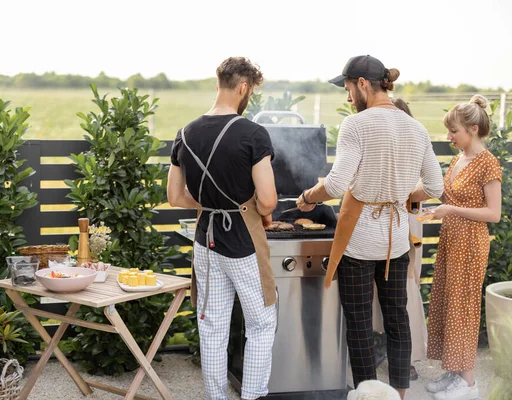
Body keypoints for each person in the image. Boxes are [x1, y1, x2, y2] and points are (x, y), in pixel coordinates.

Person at [296, 55, 444, 399]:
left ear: (362, 84)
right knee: (397, 321)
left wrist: (307, 197)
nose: (348, 98)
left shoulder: (357, 125)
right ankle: (399, 395)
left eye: (348, 88)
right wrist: (398, 194)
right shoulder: (416, 127)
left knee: (360, 325)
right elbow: (435, 188)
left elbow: (334, 186)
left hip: (359, 242)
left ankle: (367, 395)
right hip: (397, 241)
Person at [167, 56, 278, 400]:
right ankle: (252, 396)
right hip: (243, 242)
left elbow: (174, 196)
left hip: (206, 241)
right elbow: (269, 200)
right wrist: (251, 208)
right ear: (244, 87)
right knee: (260, 324)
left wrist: (209, 204)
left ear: (219, 83)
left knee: (212, 327)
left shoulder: (185, 133)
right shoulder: (252, 133)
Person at [422, 95, 502, 400]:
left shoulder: (487, 163)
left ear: (472, 128)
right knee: (447, 304)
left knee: (463, 309)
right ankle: (455, 371)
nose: (448, 136)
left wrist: (451, 211)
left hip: (470, 243)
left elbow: (493, 214)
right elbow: (446, 195)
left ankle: (469, 384)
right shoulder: (459, 159)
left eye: (453, 131)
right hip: (451, 239)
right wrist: (416, 199)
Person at [372, 98, 429, 381]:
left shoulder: (414, 141)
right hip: (381, 224)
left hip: (406, 224)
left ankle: (407, 358)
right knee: (379, 288)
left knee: (406, 291)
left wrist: (402, 195)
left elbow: (426, 186)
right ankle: (384, 347)